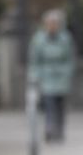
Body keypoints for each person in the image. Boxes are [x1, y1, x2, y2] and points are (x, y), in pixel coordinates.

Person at [28, 9, 76, 142]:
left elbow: (70, 58)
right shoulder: (38, 39)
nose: (52, 26)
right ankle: (50, 129)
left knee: (60, 105)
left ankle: (59, 131)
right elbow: (34, 61)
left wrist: (67, 72)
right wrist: (35, 76)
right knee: (49, 104)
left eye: (55, 23)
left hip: (61, 77)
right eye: (50, 23)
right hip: (46, 77)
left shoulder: (66, 38)